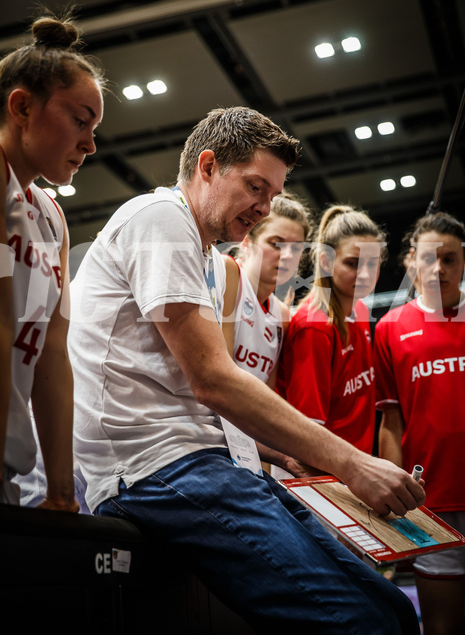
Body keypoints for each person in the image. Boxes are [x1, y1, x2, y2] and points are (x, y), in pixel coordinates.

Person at [68, 106, 425, 633]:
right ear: (207, 166)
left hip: (212, 463)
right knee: (361, 621)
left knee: (393, 609)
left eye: (273, 196)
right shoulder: (158, 218)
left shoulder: (214, 260)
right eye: (255, 187)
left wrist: (279, 451)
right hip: (154, 468)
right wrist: (353, 464)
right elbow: (212, 380)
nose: (264, 208)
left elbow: (198, 390)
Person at [0, 9, 105, 508]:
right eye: (80, 120)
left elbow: (52, 351)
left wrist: (62, 492)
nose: (89, 143)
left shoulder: (50, 216)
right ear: (21, 107)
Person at [374, 211, 465, 635]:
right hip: (434, 505)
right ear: (411, 260)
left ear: (463, 262)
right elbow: (391, 420)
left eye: (450, 258)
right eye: (430, 258)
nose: (439, 268)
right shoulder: (391, 327)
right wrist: (393, 500)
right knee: (441, 626)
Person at [277, 205, 386, 462]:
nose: (366, 274)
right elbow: (307, 432)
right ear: (326, 260)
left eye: (374, 263)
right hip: (324, 474)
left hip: (355, 471)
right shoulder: (314, 328)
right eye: (353, 263)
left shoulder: (358, 309)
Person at [221, 190, 313, 476]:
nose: (287, 256)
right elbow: (218, 382)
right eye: (276, 243)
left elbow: (265, 404)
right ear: (247, 241)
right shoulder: (227, 273)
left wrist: (265, 474)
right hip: (209, 442)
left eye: (296, 248)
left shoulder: (282, 315)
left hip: (247, 450)